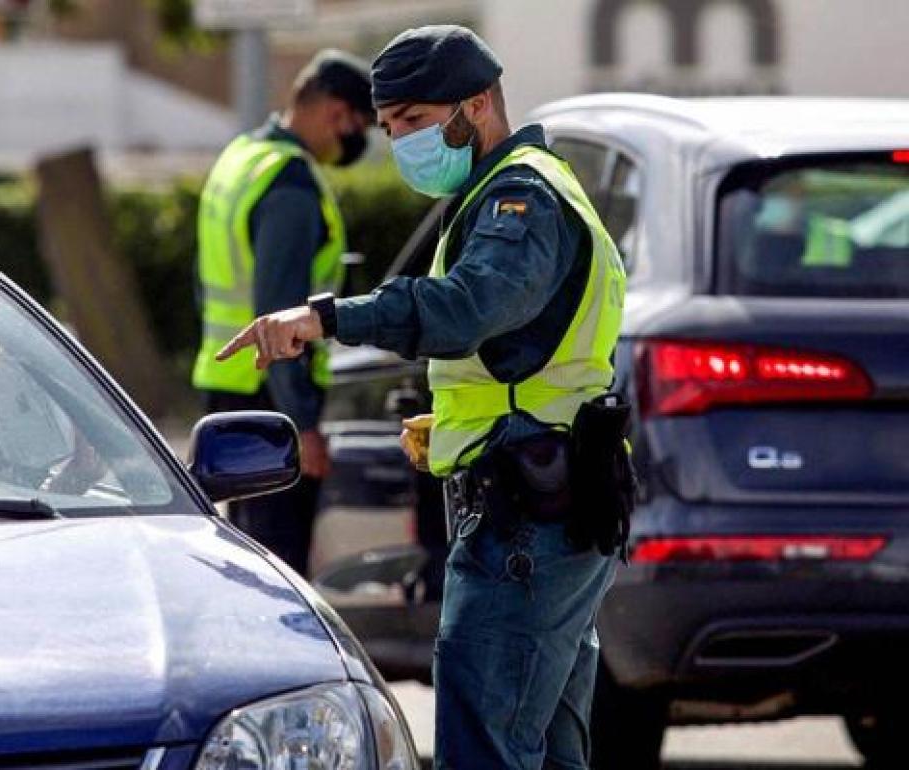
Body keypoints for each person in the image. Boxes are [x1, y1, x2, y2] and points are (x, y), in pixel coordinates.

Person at [216, 25, 629, 770]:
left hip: (529, 523)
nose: (400, 142)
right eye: (388, 126)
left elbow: (472, 305)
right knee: (548, 749)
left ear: (478, 103)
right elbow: (534, 348)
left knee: (485, 747)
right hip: (545, 497)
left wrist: (328, 317)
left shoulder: (520, 196)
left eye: (413, 121)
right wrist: (464, 421)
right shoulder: (506, 187)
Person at [191, 49, 374, 576]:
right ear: (336, 113)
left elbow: (205, 281)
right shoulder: (290, 184)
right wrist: (303, 424)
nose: (354, 140)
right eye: (357, 126)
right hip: (272, 401)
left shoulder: (241, 156)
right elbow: (281, 315)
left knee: (242, 561)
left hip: (226, 384)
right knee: (278, 569)